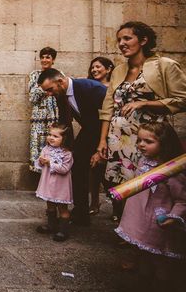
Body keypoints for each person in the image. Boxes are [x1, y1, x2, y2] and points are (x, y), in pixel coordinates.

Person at [95, 22, 186, 221]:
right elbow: (107, 109)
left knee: (147, 184)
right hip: (118, 139)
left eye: (127, 38)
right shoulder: (118, 70)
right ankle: (126, 228)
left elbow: (182, 100)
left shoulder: (165, 65)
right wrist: (102, 141)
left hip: (148, 137)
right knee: (119, 184)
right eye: (119, 39)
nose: (121, 43)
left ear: (143, 40)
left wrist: (145, 104)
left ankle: (149, 228)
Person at [115, 122, 185, 292]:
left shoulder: (172, 172)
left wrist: (174, 216)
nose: (141, 145)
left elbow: (182, 199)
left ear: (164, 143)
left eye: (149, 141)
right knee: (144, 255)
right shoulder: (144, 162)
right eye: (139, 140)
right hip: (143, 221)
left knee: (161, 263)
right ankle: (143, 290)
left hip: (159, 223)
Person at [38, 68, 106, 226]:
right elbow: (65, 123)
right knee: (76, 166)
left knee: (107, 174)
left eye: (50, 89)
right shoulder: (60, 94)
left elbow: (109, 116)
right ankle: (81, 213)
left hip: (108, 132)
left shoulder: (91, 88)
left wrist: (102, 144)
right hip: (89, 131)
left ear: (60, 81)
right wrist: (64, 147)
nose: (49, 94)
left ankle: (119, 214)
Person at [34, 123, 74, 241]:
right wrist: (41, 161)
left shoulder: (67, 154)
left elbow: (65, 169)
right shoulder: (46, 149)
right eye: (50, 135)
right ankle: (51, 225)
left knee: (62, 208)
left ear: (64, 139)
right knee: (50, 204)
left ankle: (63, 231)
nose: (51, 138)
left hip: (60, 185)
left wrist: (50, 162)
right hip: (48, 183)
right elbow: (40, 164)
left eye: (56, 136)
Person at [86, 56, 114, 215]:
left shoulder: (114, 87)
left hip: (113, 131)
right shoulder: (89, 87)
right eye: (92, 67)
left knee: (111, 171)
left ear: (109, 69)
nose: (94, 70)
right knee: (94, 169)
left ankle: (117, 206)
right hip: (95, 131)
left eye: (98, 67)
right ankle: (94, 203)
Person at [27, 47, 59, 172]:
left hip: (53, 118)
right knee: (38, 150)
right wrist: (45, 88)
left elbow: (60, 93)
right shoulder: (34, 75)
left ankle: (51, 183)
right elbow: (32, 97)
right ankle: (40, 184)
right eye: (43, 57)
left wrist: (41, 87)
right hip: (38, 120)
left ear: (53, 60)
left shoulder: (58, 74)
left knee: (53, 149)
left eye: (48, 57)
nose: (45, 60)